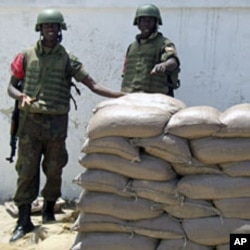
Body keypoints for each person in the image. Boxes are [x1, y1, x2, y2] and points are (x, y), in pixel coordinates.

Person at [7, 9, 124, 242]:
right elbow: (11, 87)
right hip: (30, 122)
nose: (51, 30)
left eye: (55, 26)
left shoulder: (68, 58)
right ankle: (23, 220)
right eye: (47, 26)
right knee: (26, 171)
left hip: (56, 123)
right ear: (40, 30)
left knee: (54, 167)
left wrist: (122, 96)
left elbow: (92, 84)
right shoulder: (26, 55)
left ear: (61, 30)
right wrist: (21, 97)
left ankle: (49, 210)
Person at [121, 4, 181, 97]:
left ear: (156, 23)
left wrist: (164, 65)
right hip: (130, 95)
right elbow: (125, 71)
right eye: (143, 20)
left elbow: (173, 61)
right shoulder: (132, 47)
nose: (146, 23)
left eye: (150, 20)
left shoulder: (164, 43)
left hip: (156, 96)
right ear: (138, 22)